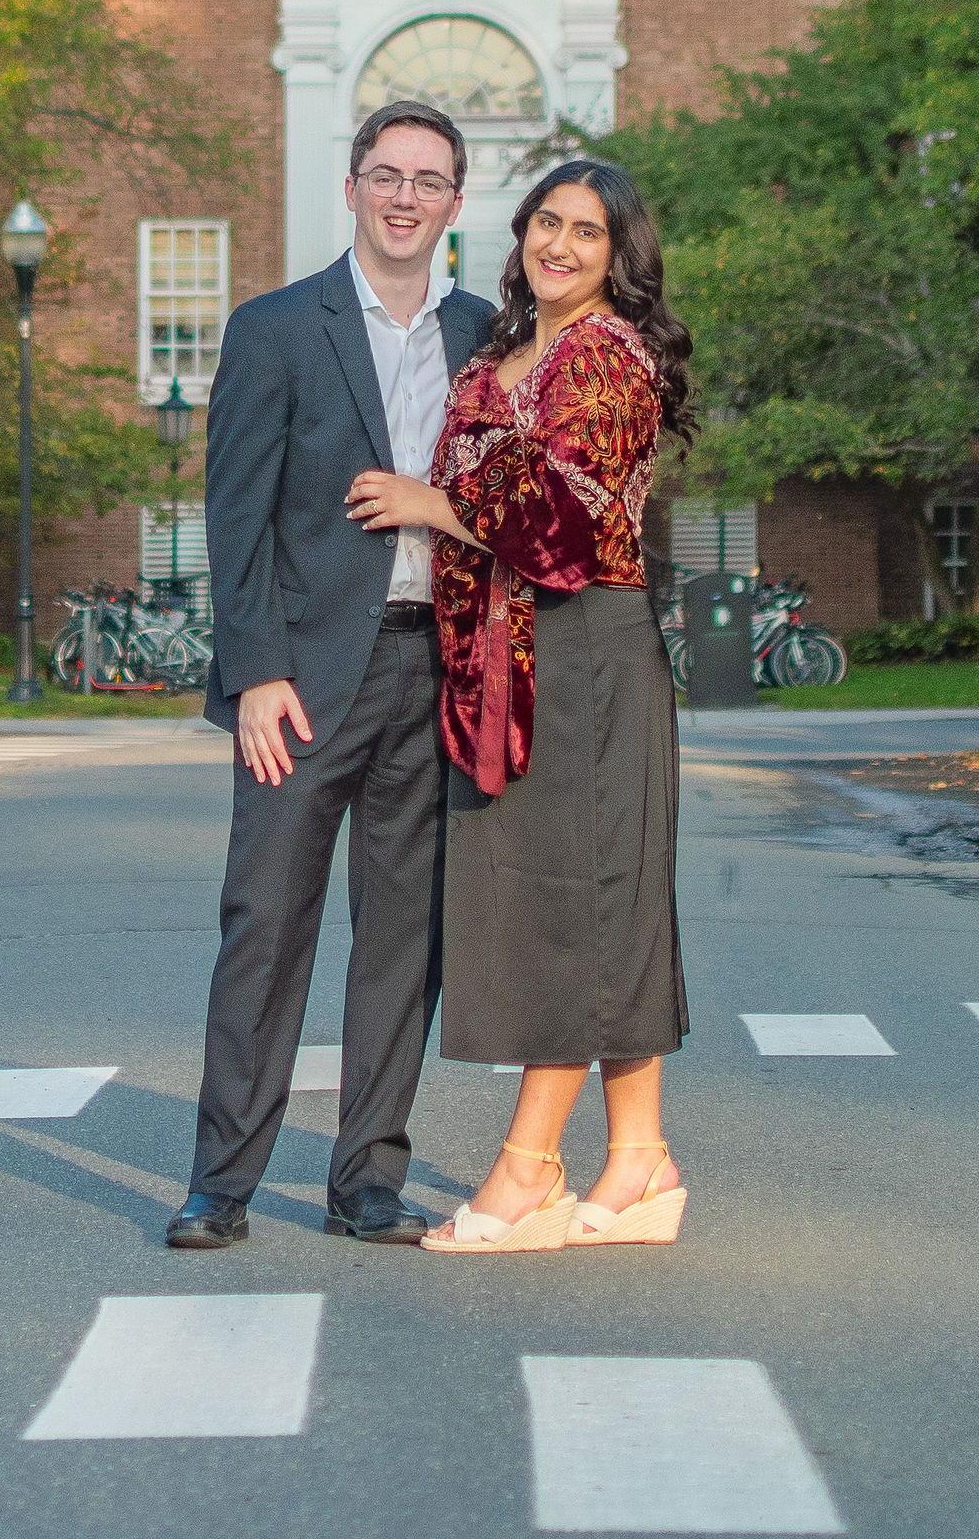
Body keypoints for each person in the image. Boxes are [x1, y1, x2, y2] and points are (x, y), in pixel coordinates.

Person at [342, 154, 694, 1254]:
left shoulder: (609, 355)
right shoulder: (511, 349)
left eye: (587, 233)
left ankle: (527, 1169)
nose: (559, 245)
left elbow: (565, 524)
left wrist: (427, 501)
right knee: (599, 898)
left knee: (571, 904)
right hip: (510, 645)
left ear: (618, 256)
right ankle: (638, 1162)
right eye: (547, 222)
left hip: (585, 645)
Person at [166, 99, 494, 1250]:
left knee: (405, 936)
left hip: (432, 671)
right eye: (388, 174)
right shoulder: (276, 328)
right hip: (302, 681)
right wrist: (254, 671)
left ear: (457, 203)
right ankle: (222, 1184)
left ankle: (367, 1182)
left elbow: (513, 504)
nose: (407, 197)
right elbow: (235, 510)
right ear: (352, 187)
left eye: (430, 181)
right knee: (266, 924)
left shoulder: (486, 336)